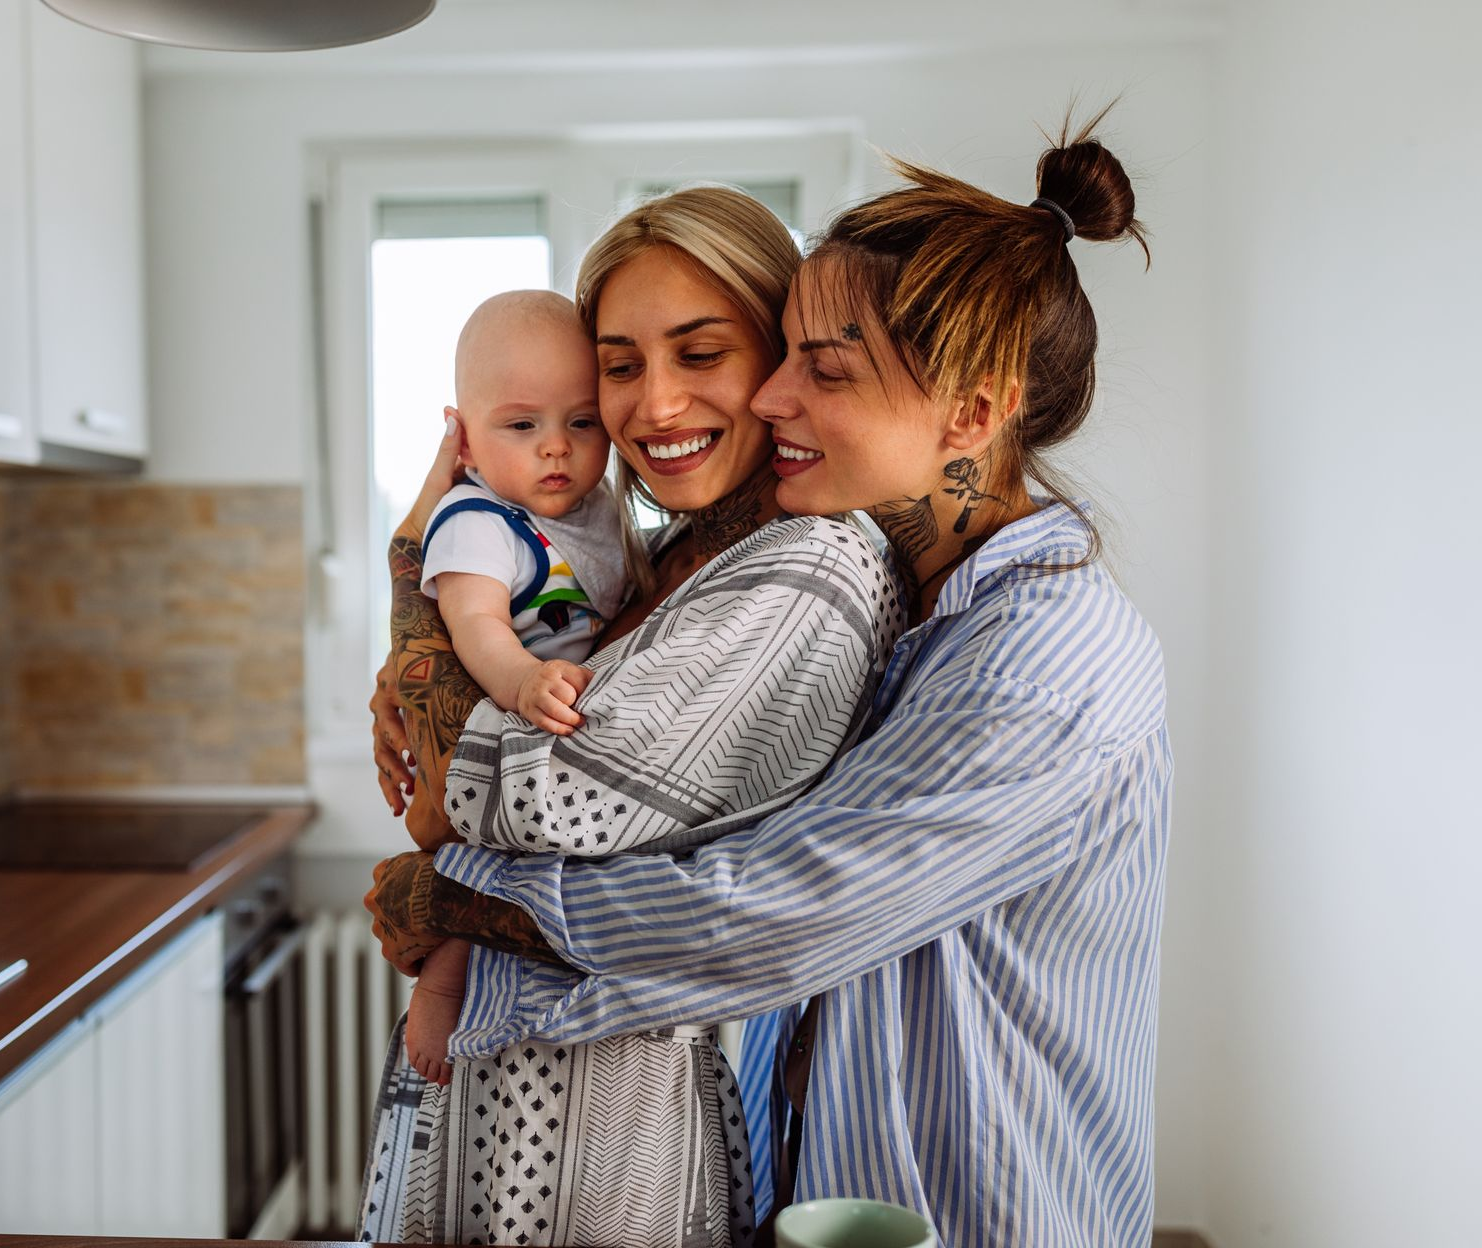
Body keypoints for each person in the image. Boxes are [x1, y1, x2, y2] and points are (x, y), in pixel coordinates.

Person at [369, 113, 1172, 1247]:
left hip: (986, 1210)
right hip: (838, 1198)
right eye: (784, 355)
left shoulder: (1043, 660)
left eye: (818, 368)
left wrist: (465, 898)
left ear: (974, 413)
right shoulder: (917, 603)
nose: (773, 397)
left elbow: (767, 913)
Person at [360, 185, 904, 1247]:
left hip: (600, 1138)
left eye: (702, 353)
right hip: (509, 1092)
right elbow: (463, 774)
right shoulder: (653, 555)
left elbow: (517, 799)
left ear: (780, 364)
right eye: (619, 365)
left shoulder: (805, 568)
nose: (654, 406)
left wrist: (410, 592)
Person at [404, 289, 632, 1086]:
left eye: (581, 422)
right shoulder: (478, 520)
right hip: (493, 731)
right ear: (462, 439)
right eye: (522, 425)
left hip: (557, 731)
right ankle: (438, 984)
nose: (557, 450)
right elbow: (476, 627)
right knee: (479, 863)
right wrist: (522, 679)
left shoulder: (596, 508)